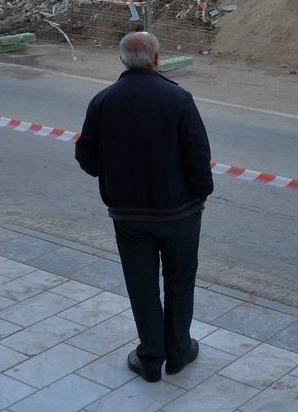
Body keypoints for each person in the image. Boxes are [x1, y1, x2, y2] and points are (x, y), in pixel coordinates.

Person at [75, 31, 213, 383]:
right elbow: (198, 154)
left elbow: (87, 156)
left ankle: (150, 357)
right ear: (157, 59)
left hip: (129, 215)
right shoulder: (179, 99)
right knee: (180, 282)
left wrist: (114, 175)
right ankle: (179, 351)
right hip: (180, 212)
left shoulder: (103, 101)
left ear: (122, 60)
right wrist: (201, 194)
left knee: (142, 284)